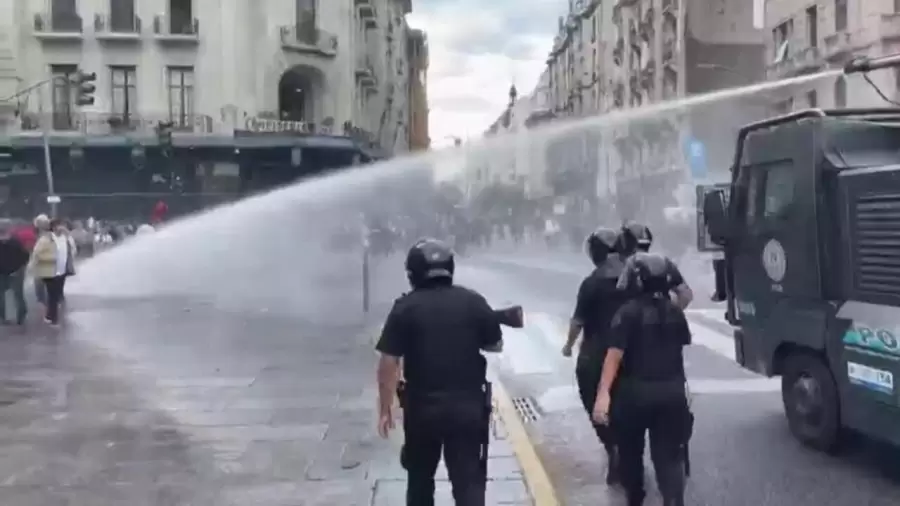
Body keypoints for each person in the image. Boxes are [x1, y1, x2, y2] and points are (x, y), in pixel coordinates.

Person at [375, 238, 501, 506]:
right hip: (466, 407)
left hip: (422, 409)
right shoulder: (473, 301)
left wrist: (386, 408)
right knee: (468, 480)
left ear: (413, 273)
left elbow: (388, 362)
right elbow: (495, 345)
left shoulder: (405, 307)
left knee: (420, 479)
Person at [593, 252, 694, 506]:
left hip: (634, 396)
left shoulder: (627, 313)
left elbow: (613, 358)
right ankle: (673, 500)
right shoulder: (674, 312)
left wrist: (603, 395)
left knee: (631, 454)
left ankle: (635, 499)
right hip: (672, 393)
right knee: (669, 458)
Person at [561, 227, 628, 485]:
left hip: (597, 351)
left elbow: (578, 321)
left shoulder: (591, 283)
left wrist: (568, 346)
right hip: (631, 350)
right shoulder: (633, 276)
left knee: (588, 390)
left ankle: (612, 445)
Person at [616, 222, 693, 309]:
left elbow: (619, 292)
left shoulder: (626, 264)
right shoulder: (664, 261)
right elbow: (686, 295)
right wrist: (671, 311)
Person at [30, 219, 74, 327]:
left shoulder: (66, 238)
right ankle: (54, 320)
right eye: (59, 226)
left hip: (62, 270)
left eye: (63, 225)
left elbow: (73, 249)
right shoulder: (46, 239)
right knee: (53, 294)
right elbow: (36, 253)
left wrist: (68, 235)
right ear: (53, 227)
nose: (62, 228)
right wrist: (32, 267)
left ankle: (49, 316)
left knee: (56, 294)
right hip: (48, 270)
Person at [0, 220, 31, 325]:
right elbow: (26, 256)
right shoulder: (16, 241)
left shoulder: (15, 242)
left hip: (14, 272)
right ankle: (5, 317)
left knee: (17, 295)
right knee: (13, 295)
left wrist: (18, 269)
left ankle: (20, 315)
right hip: (5, 272)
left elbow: (25, 256)